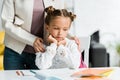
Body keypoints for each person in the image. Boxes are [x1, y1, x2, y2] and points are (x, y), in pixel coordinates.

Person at [1, 0, 80, 70]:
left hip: (43, 52)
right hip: (15, 50)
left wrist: (70, 37)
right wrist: (32, 40)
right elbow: (6, 23)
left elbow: (60, 20)